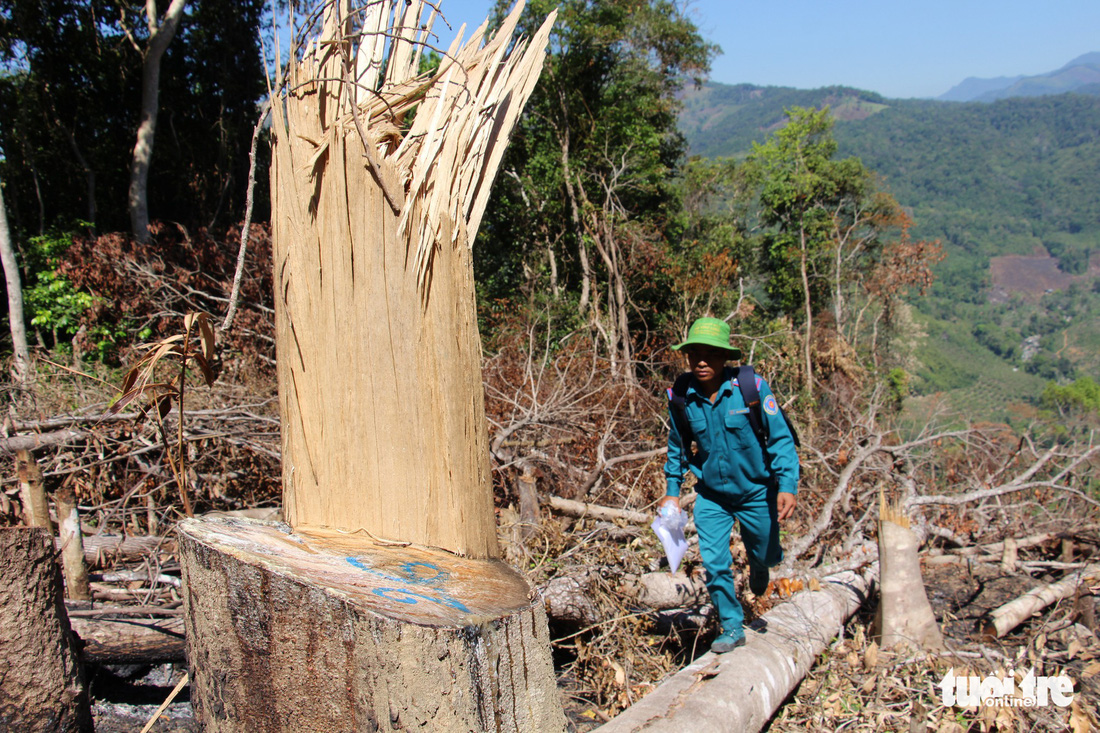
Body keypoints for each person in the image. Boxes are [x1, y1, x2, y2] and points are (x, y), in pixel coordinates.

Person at [660, 317, 799, 653]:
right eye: (695, 354)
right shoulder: (681, 396)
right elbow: (677, 448)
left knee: (766, 549)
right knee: (715, 561)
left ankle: (761, 563)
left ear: (725, 358)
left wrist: (787, 485)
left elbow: (780, 439)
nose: (702, 361)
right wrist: (672, 492)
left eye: (710, 354)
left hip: (756, 492)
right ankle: (732, 626)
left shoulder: (750, 389)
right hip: (713, 497)